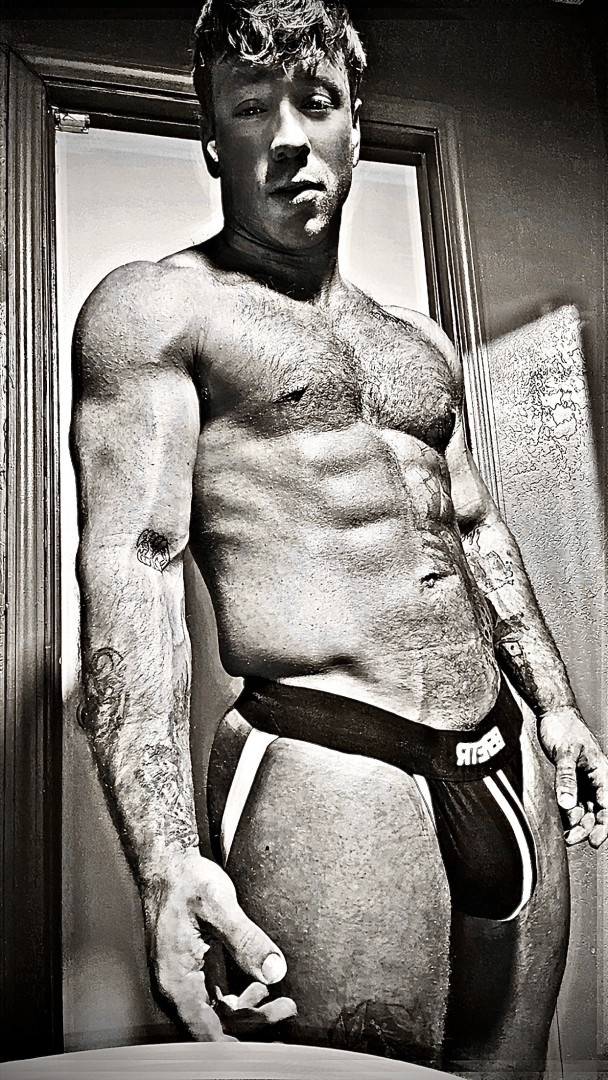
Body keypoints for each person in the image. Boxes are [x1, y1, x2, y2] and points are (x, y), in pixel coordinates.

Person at [71, 0, 608, 1073]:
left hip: (499, 753)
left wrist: (555, 707)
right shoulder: (157, 311)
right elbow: (135, 565)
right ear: (211, 137)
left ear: (355, 126)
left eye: (314, 102)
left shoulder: (418, 343)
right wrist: (166, 859)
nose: (286, 136)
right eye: (250, 107)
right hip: (332, 761)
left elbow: (472, 527)